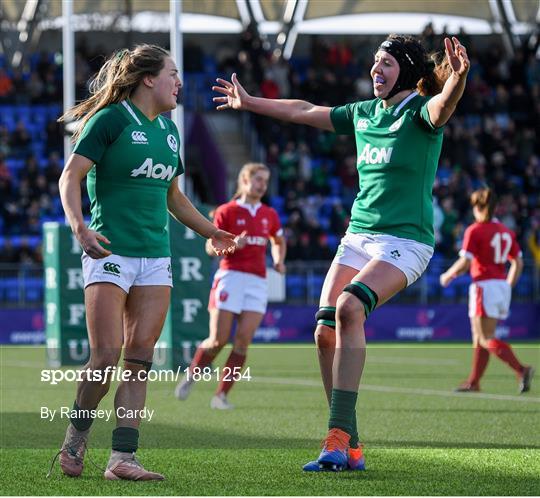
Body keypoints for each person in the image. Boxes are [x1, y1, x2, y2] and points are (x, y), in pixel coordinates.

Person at [213, 34, 470, 471]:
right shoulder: (364, 113)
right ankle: (349, 441)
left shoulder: (419, 114)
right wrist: (251, 102)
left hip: (406, 242)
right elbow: (303, 110)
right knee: (324, 330)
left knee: (350, 307)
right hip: (358, 236)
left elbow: (443, 105)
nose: (376, 69)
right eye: (374, 61)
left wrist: (458, 79)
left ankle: (335, 437)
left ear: (405, 70)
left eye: (386, 63)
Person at [50, 44, 236, 481]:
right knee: (105, 358)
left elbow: (173, 196)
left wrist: (211, 230)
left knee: (139, 358)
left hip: (156, 257)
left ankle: (122, 460)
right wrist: (79, 227)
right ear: (149, 79)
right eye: (173, 73)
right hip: (110, 251)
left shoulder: (170, 131)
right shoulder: (110, 119)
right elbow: (69, 177)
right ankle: (75, 438)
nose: (179, 82)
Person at [175, 162, 286, 409]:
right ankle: (192, 373)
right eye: (258, 180)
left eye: (265, 181)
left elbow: (278, 240)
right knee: (218, 339)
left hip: (257, 281)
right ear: (244, 181)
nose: (262, 185)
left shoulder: (269, 214)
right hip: (231, 277)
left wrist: (278, 260)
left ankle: (220, 396)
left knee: (243, 341)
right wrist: (234, 244)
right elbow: (209, 247)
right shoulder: (227, 211)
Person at [440, 187, 534, 393]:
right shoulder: (505, 231)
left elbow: (465, 262)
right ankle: (474, 382)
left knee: (485, 337)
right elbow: (517, 262)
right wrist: (508, 285)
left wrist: (448, 275)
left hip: (484, 285)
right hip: (500, 285)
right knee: (479, 337)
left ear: (479, 207)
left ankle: (521, 369)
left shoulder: (475, 230)